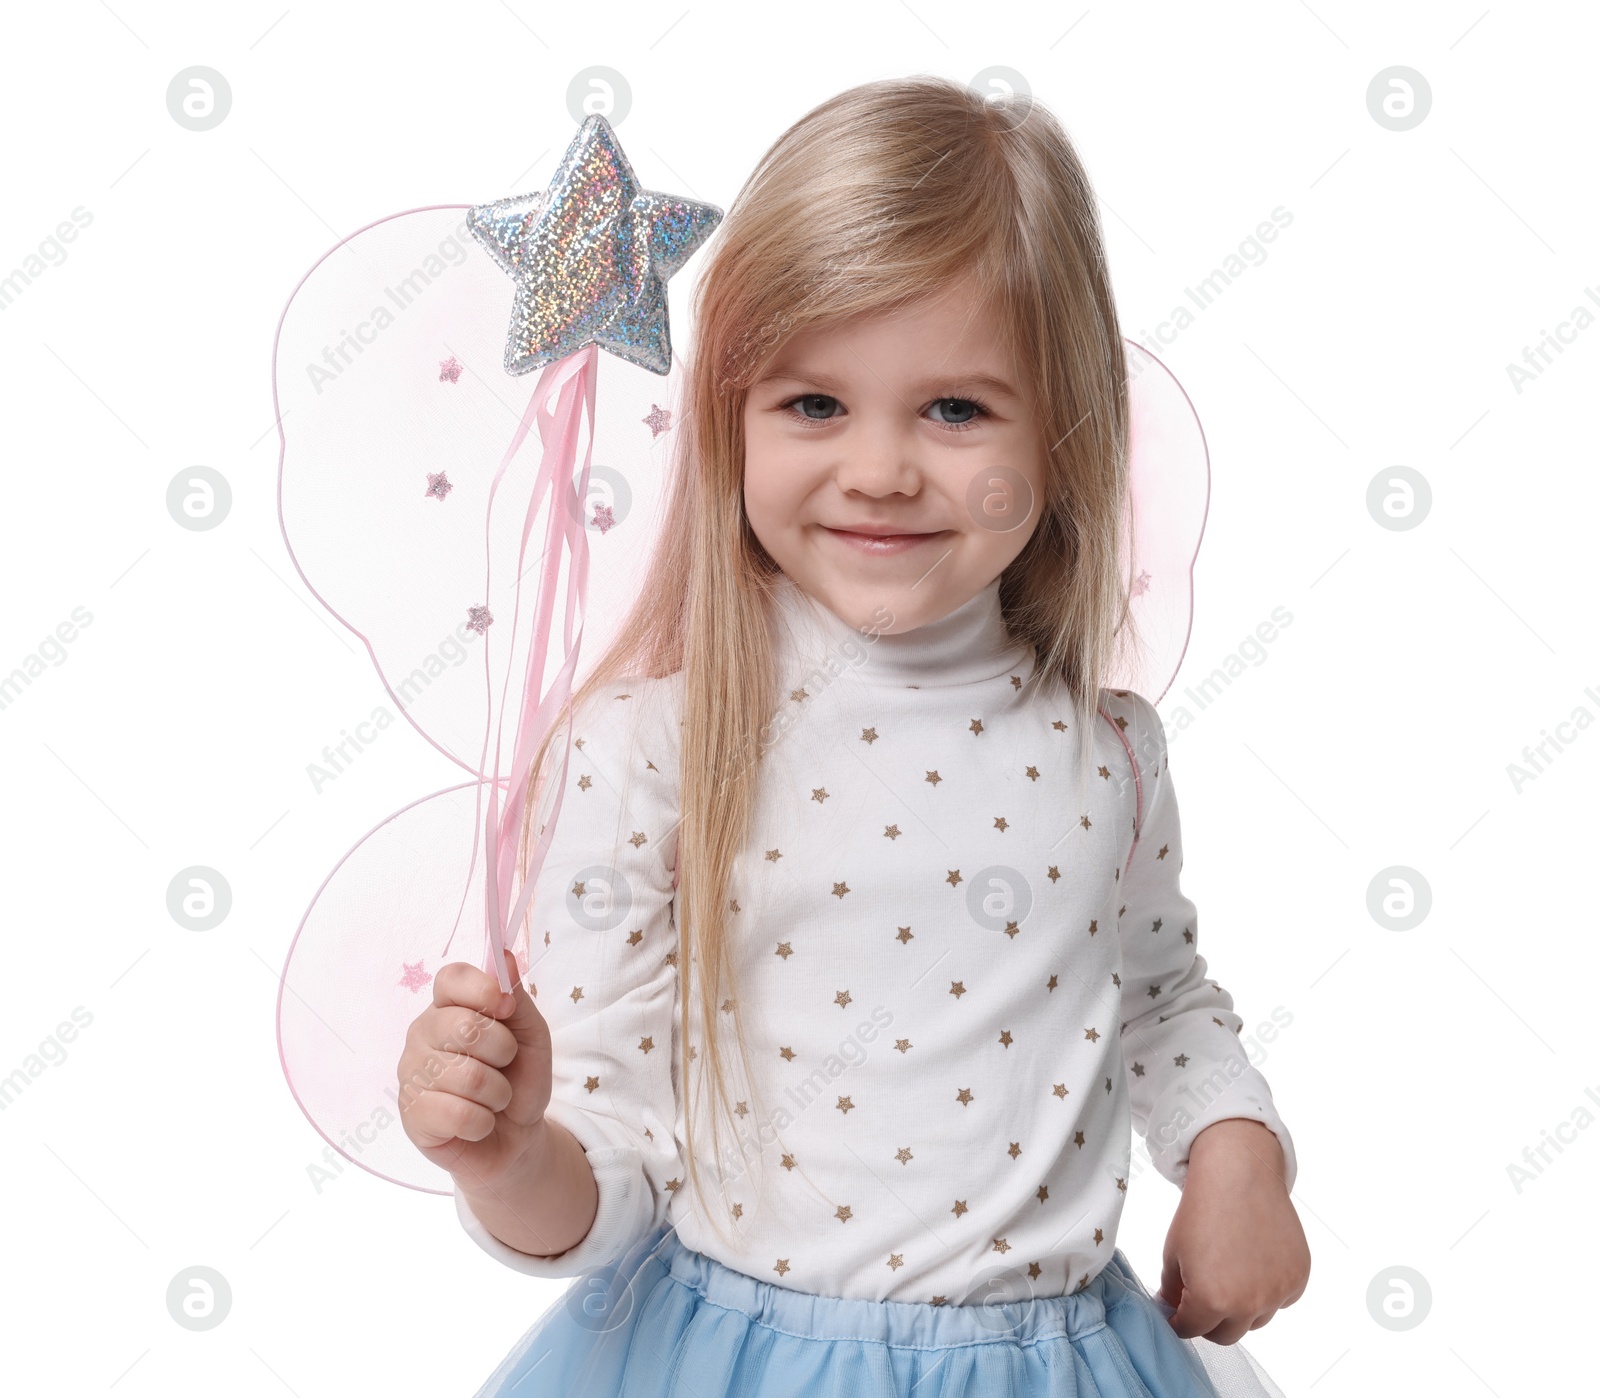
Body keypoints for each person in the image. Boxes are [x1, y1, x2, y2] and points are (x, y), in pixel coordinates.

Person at [397, 74, 1310, 1397]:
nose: (880, 468)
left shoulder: (1108, 753)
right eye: (814, 405)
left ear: (1061, 432)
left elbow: (1162, 995)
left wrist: (1237, 1150)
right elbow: (604, 1192)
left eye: (955, 409)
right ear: (730, 420)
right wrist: (505, 1151)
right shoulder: (654, 750)